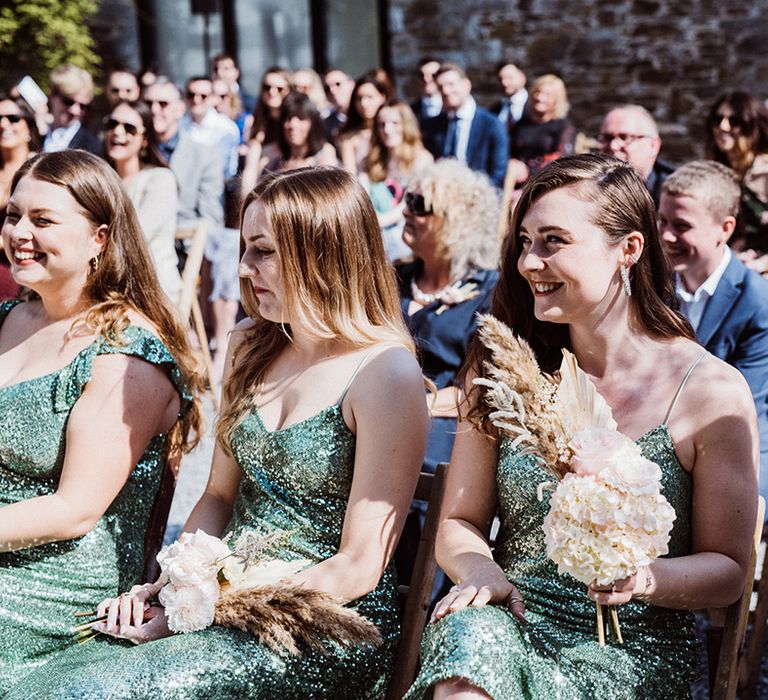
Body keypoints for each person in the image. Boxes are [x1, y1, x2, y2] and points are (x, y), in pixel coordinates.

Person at [7, 166, 429, 700]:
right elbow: (216, 497)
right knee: (49, 680)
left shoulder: (384, 373)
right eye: (245, 248)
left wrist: (210, 606)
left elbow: (359, 566)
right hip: (221, 605)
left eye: (264, 251)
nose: (244, 267)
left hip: (322, 624)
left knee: (94, 690)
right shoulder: (250, 345)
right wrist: (168, 584)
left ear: (322, 252)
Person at [406, 154, 759, 700]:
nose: (529, 262)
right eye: (524, 241)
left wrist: (642, 578)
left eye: (553, 241)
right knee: (466, 658)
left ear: (629, 249)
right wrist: (478, 570)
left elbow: (730, 570)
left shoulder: (710, 391)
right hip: (510, 614)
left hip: (633, 647)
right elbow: (458, 520)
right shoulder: (503, 371)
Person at [0, 150, 202, 688]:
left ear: (100, 239)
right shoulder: (9, 317)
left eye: (42, 221)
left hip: (55, 588)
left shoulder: (127, 353)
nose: (19, 231)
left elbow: (75, 510)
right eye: (13, 215)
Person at [394, 160, 499, 586]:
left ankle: (422, 593)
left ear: (455, 221)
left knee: (426, 451)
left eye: (419, 204)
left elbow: (487, 387)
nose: (405, 210)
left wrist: (422, 404)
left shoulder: (489, 293)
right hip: (379, 405)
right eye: (406, 199)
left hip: (448, 414)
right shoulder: (392, 279)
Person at [659, 160, 768, 507]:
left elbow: (745, 407)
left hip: (728, 444)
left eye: (682, 225)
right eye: (661, 221)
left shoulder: (755, 301)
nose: (666, 235)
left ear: (725, 228)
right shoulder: (651, 283)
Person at [103, 99, 181, 303]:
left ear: (145, 139)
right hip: (105, 284)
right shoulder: (100, 181)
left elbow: (137, 235)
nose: (118, 132)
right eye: (112, 124)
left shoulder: (160, 180)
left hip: (150, 290)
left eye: (129, 128)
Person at [362, 99, 433, 260]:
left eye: (395, 123)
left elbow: (410, 204)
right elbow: (362, 194)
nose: (387, 130)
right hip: (373, 231)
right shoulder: (371, 160)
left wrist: (378, 222)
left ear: (406, 125)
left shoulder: (422, 160)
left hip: (405, 234)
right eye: (382, 124)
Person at [705, 90, 768, 268]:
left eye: (734, 121)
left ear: (751, 126)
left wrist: (761, 264)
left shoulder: (764, 172)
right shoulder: (715, 172)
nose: (723, 127)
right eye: (718, 120)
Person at [421, 63, 508, 188]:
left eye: (451, 84)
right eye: (441, 87)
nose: (446, 91)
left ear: (466, 85)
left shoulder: (491, 124)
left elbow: (499, 174)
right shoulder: (433, 126)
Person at [0, 96, 41, 298]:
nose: (3, 124)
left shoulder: (40, 169)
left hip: (23, 268)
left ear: (29, 127)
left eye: (13, 118)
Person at [598, 104, 674, 207]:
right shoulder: (589, 189)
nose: (613, 146)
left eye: (625, 137)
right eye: (607, 138)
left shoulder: (672, 195)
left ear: (653, 145)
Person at [507, 73, 575, 187]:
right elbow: (508, 150)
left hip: (545, 184)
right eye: (537, 92)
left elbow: (563, 159)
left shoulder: (563, 125)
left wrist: (529, 171)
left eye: (547, 95)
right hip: (515, 182)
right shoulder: (522, 124)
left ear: (556, 100)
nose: (539, 98)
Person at [240, 67, 293, 196]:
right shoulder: (255, 121)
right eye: (267, 87)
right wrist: (245, 199)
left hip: (291, 182)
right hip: (264, 182)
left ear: (289, 91)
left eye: (279, 89)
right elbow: (251, 168)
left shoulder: (294, 120)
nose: (272, 92)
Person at [260, 91, 337, 178]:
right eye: (288, 119)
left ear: (313, 123)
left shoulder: (325, 153)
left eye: (301, 118)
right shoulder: (273, 158)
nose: (293, 125)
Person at [338, 71, 391, 175]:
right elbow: (350, 175)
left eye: (370, 97)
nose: (364, 103)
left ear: (382, 97)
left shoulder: (393, 128)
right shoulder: (349, 138)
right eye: (359, 98)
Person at [43, 65, 100, 155]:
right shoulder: (32, 135)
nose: (75, 111)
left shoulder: (92, 148)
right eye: (68, 102)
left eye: (83, 106)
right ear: (52, 96)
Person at [322, 68, 356, 144]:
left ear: (352, 85)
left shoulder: (366, 115)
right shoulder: (325, 125)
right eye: (327, 88)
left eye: (337, 84)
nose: (332, 91)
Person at [491, 61, 528, 130]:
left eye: (509, 78)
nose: (504, 83)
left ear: (522, 78)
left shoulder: (535, 106)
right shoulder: (495, 110)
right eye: (500, 79)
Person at [409, 57, 442, 129]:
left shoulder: (450, 110)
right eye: (422, 75)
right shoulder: (410, 111)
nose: (426, 79)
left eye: (433, 75)